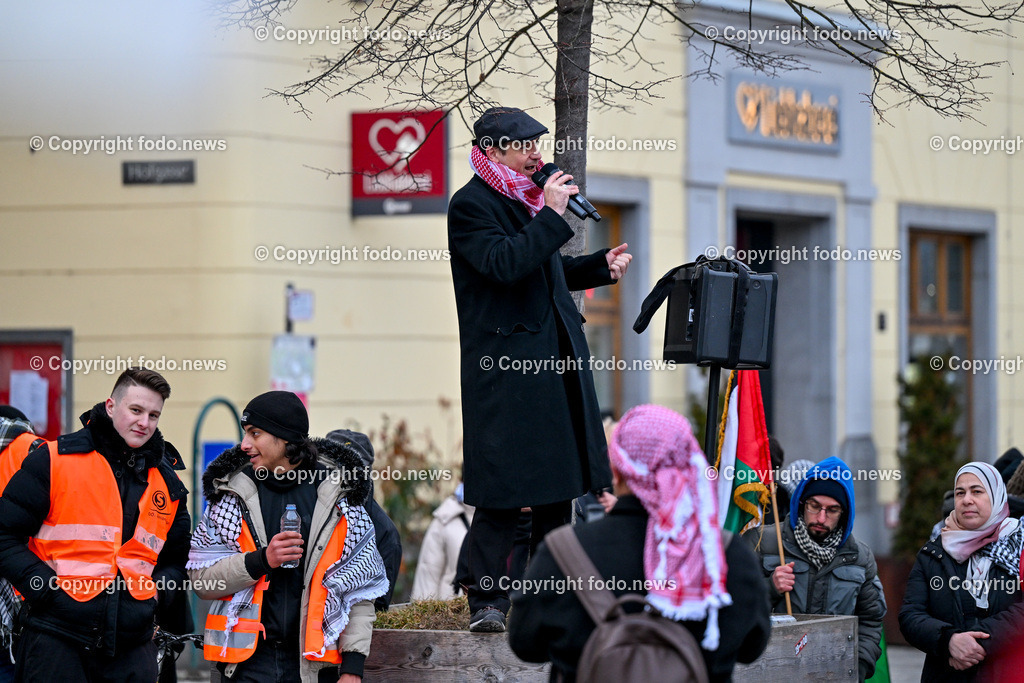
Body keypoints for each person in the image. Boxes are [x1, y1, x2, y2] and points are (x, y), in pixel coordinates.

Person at [448, 105, 631, 632]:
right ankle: (487, 601)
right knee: (503, 489)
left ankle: (550, 593)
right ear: (492, 149)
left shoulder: (528, 201)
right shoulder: (471, 205)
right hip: (504, 373)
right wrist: (552, 215)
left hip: (552, 368)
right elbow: (505, 265)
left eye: (538, 144)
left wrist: (599, 266)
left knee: (557, 486)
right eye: (525, 145)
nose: (537, 155)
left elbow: (543, 271)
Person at [508, 404, 770, 682]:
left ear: (616, 470)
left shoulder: (561, 552)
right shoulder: (727, 555)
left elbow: (526, 645)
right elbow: (752, 647)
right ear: (688, 465)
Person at [0, 368, 191, 683]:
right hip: (56, 640)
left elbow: (178, 559)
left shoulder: (168, 483)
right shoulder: (54, 459)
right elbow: (5, 535)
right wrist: (45, 589)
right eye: (136, 410)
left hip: (132, 647)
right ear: (111, 406)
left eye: (154, 415)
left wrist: (156, 595)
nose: (145, 422)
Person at [188, 391, 388, 683]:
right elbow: (202, 580)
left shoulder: (338, 495)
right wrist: (260, 561)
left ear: (284, 439)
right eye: (245, 433)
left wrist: (352, 669)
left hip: (314, 666)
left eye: (255, 433)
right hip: (246, 666)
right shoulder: (231, 493)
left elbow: (359, 593)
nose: (244, 444)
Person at [745, 455, 886, 681]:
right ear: (801, 502)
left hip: (834, 675)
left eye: (832, 510)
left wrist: (856, 667)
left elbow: (870, 621)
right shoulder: (763, 542)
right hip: (770, 673)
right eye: (814, 506)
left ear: (845, 513)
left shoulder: (859, 557)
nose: (821, 517)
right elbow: (733, 605)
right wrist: (770, 588)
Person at [899, 462, 1024, 682]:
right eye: (960, 492)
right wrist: (948, 641)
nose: (967, 499)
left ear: (996, 496)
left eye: (977, 491)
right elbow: (911, 615)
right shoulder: (933, 553)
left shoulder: (1019, 545)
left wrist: (977, 644)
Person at [325, 428, 402, 612]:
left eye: (351, 470)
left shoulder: (383, 532)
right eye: (331, 468)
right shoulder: (301, 511)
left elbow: (378, 607)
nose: (340, 478)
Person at [411, 483, 474, 601]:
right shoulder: (445, 518)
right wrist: (424, 617)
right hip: (452, 612)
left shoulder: (509, 517)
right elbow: (428, 573)